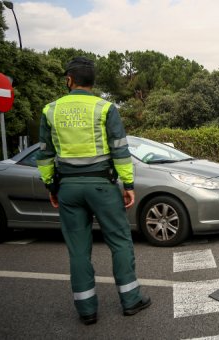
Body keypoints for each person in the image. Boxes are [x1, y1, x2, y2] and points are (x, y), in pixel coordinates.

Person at [36, 56, 151, 325]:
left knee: (78, 250)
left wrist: (52, 186)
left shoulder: (50, 110)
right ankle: (131, 300)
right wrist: (129, 185)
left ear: (69, 79)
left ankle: (87, 310)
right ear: (92, 80)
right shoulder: (105, 108)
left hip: (68, 188)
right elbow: (121, 151)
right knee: (120, 242)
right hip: (102, 186)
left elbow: (44, 155)